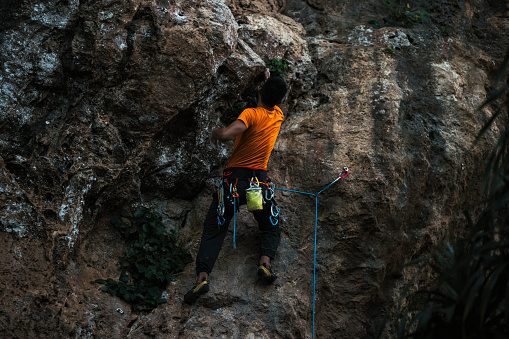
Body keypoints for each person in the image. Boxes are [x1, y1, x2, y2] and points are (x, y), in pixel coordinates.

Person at [184, 69, 288, 304]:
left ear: (260, 92)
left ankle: (203, 277)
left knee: (214, 230)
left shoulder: (250, 114)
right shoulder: (278, 116)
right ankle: (265, 264)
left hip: (233, 185)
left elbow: (230, 133)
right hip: (258, 187)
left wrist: (217, 132)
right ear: (280, 101)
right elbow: (272, 100)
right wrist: (268, 81)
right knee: (270, 226)